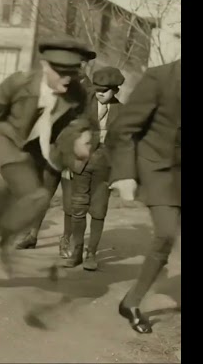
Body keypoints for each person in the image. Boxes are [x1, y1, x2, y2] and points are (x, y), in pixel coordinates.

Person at [0, 36, 94, 292]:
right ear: (45, 66)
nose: (67, 79)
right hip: (10, 147)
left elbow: (77, 126)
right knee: (36, 197)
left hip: (43, 155)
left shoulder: (77, 93)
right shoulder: (18, 84)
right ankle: (6, 244)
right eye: (60, 72)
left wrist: (79, 143)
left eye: (73, 72)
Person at [97, 58, 181, 334]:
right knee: (166, 233)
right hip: (157, 167)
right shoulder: (160, 78)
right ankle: (131, 303)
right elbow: (123, 130)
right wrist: (125, 174)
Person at [17, 69, 93, 254]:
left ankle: (66, 240)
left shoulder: (91, 91)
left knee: (70, 201)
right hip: (51, 151)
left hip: (73, 154)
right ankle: (32, 235)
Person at [65, 66, 124, 270]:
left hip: (105, 167)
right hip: (81, 163)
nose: (100, 93)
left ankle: (91, 253)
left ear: (116, 90)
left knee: (98, 211)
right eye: (97, 89)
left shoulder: (122, 112)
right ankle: (76, 252)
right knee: (78, 208)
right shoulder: (83, 106)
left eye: (105, 91)